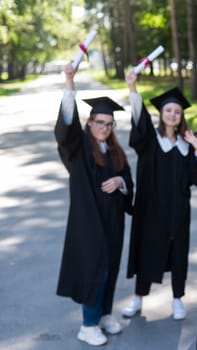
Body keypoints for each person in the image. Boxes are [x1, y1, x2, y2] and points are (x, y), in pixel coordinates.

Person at [55, 62, 133, 346]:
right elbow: (65, 130)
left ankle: (103, 315)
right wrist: (69, 83)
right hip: (88, 223)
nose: (105, 127)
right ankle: (88, 324)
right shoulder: (79, 148)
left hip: (113, 220)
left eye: (109, 124)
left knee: (110, 268)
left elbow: (126, 177)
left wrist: (121, 183)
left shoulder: (113, 149)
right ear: (90, 123)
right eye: (100, 122)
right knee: (95, 270)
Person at [121, 70, 197, 320]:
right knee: (147, 251)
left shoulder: (185, 145)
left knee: (178, 253)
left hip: (179, 212)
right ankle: (137, 299)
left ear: (181, 117)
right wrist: (132, 88)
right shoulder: (149, 139)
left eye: (177, 112)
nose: (172, 114)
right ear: (161, 113)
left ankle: (177, 299)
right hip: (151, 210)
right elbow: (139, 117)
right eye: (168, 110)